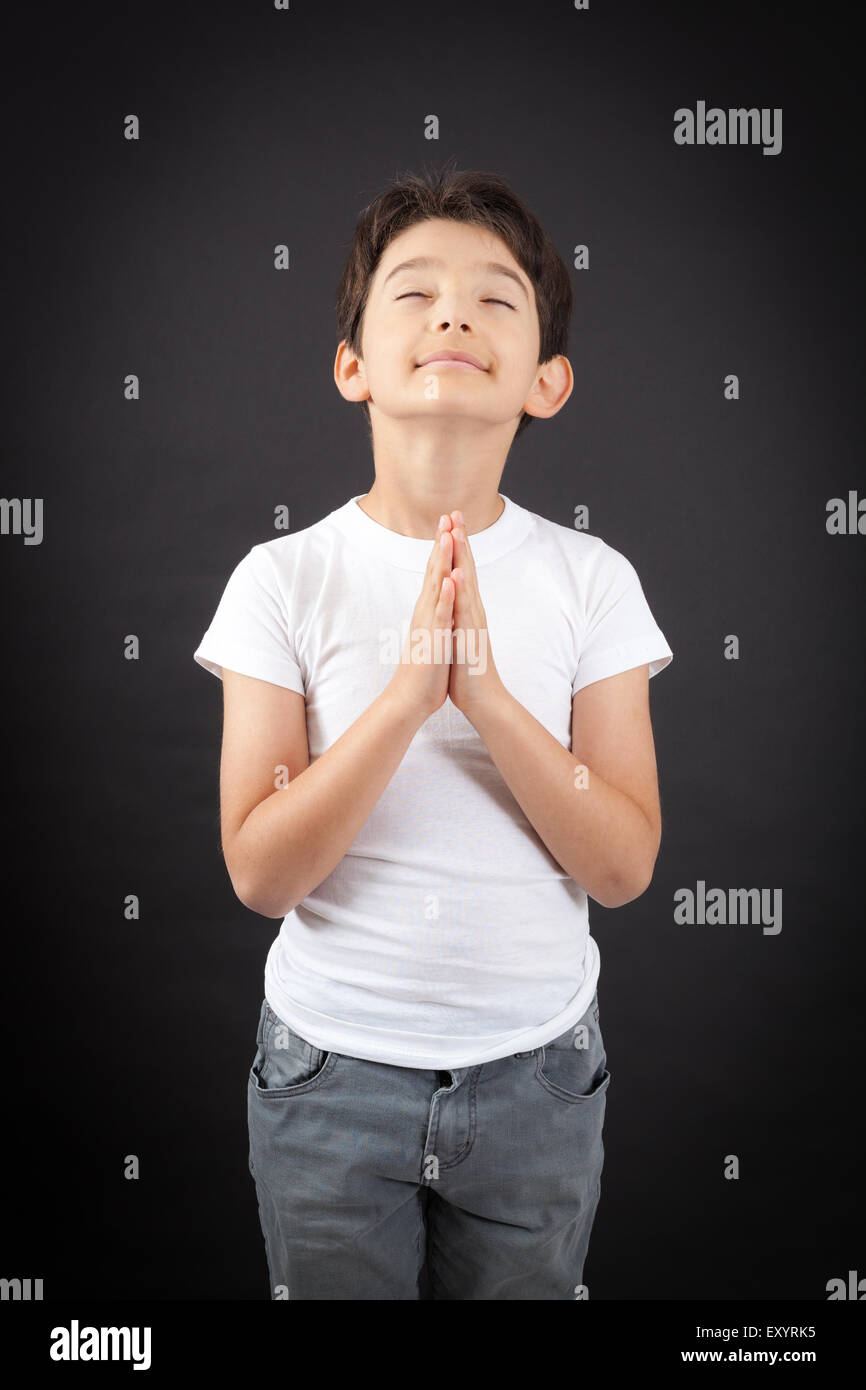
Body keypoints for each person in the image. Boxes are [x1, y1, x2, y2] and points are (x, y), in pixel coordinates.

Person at [193, 163, 673, 1300]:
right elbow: (261, 871)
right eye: (412, 292)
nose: (453, 311)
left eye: (495, 298)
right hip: (326, 1079)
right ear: (352, 365)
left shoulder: (590, 578)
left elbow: (621, 864)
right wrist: (409, 695)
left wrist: (489, 699)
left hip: (538, 1080)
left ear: (546, 380)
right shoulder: (281, 578)